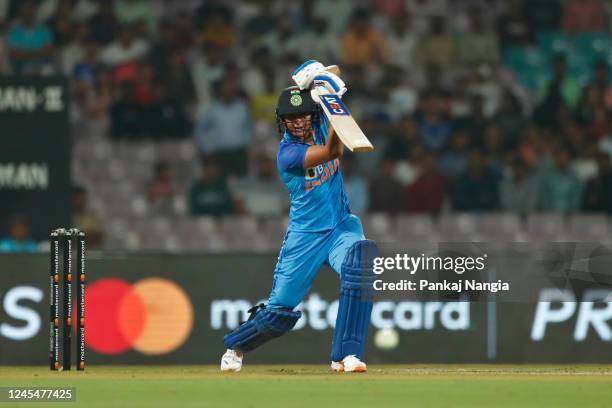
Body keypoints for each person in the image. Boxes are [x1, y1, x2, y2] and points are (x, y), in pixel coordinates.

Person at [220, 61, 378, 373]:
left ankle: (347, 356)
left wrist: (320, 79)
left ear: (313, 113)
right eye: (290, 118)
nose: (297, 122)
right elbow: (334, 151)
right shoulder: (287, 155)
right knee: (280, 313)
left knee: (360, 261)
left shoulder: (319, 120)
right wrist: (337, 107)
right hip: (305, 236)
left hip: (340, 226)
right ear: (282, 122)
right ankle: (236, 345)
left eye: (302, 114)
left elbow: (334, 73)